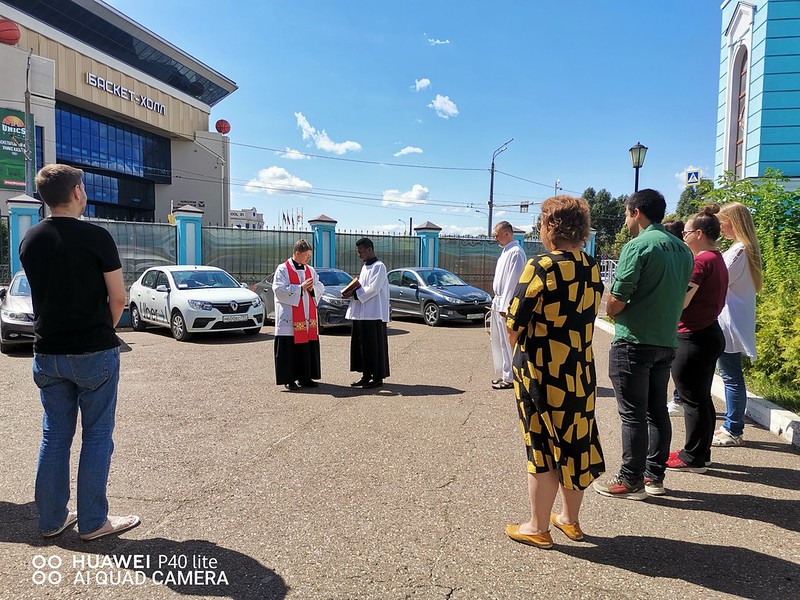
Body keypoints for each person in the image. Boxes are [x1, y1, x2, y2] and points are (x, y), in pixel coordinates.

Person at [19, 164, 139, 541]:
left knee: (54, 435)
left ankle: (52, 519)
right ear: (75, 193)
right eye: (83, 188)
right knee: (97, 434)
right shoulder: (97, 237)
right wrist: (102, 327)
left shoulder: (30, 240)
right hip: (93, 351)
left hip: (47, 352)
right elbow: (118, 297)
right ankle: (92, 522)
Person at [504, 196, 606, 549]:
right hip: (579, 370)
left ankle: (537, 526)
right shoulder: (592, 267)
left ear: (549, 227)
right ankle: (570, 520)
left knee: (542, 445)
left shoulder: (541, 266)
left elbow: (514, 322)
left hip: (542, 372)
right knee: (576, 441)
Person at [593, 189, 694, 499]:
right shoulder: (683, 249)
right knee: (656, 412)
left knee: (632, 414)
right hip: (666, 340)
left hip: (634, 341)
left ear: (636, 212)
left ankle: (629, 478)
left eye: (626, 214)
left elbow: (616, 300)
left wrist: (610, 307)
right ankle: (655, 476)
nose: (624, 221)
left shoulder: (638, 247)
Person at [667, 206, 728, 472]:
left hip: (693, 335)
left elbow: (681, 301)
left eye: (686, 231)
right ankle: (700, 453)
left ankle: (691, 457)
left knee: (692, 400)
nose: (683, 235)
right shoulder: (717, 258)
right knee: (701, 399)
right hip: (708, 332)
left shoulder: (701, 261)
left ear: (699, 233)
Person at [713, 203, 761, 446]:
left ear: (735, 222)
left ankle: (734, 428)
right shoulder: (740, 248)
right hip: (728, 319)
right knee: (729, 374)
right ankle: (731, 425)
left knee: (731, 376)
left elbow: (720, 278)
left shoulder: (740, 249)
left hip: (729, 322)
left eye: (723, 222)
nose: (720, 227)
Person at [272, 239, 325, 391]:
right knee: (289, 348)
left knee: (305, 348)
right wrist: (300, 288)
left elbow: (320, 285)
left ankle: (305, 377)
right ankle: (289, 379)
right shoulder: (283, 269)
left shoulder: (310, 270)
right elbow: (279, 290)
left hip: (307, 317)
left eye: (310, 255)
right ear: (297, 253)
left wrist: (312, 289)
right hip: (289, 318)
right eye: (306, 255)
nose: (308, 258)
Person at [343, 237, 390, 389]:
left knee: (373, 347)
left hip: (374, 314)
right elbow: (362, 286)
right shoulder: (365, 267)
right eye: (357, 252)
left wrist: (355, 294)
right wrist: (351, 290)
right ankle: (365, 375)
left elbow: (374, 288)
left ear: (369, 249)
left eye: (361, 252)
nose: (359, 255)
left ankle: (377, 378)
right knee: (362, 346)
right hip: (361, 313)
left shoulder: (379, 267)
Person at [489, 221, 527, 390]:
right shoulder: (506, 251)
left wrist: (506, 307)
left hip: (506, 304)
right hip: (498, 301)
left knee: (508, 341)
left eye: (497, 234)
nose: (495, 237)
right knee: (500, 341)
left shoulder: (516, 253)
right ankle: (506, 374)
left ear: (507, 233)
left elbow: (514, 282)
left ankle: (512, 378)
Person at [662, 219, 686, 418]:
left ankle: (679, 399)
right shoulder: (686, 254)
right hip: (677, 320)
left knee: (677, 367)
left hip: (679, 321)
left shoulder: (677, 253)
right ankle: (679, 398)